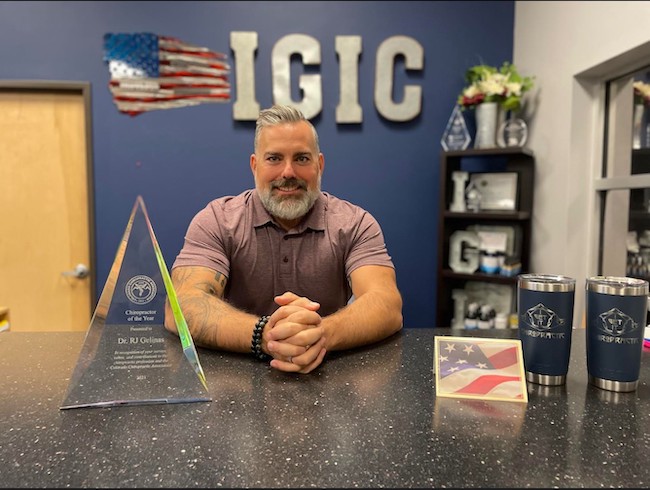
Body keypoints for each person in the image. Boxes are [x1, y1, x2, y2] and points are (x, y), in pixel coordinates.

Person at [164, 104, 403, 374]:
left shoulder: (356, 223)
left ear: (319, 165)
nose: (288, 172)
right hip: (235, 382)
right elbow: (181, 308)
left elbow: (386, 304)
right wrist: (264, 335)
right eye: (274, 158)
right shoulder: (216, 220)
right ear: (255, 165)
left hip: (330, 383)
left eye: (301, 158)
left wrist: (321, 335)